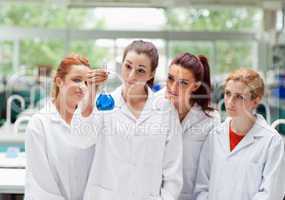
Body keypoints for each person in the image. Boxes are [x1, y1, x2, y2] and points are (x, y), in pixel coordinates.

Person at [71, 40, 183, 200]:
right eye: (128, 66)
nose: (131, 76)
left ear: (151, 74)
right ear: (121, 65)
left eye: (141, 70)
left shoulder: (165, 110)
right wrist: (90, 93)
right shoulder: (104, 103)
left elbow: (173, 171)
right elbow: (80, 140)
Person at [194, 68, 285, 200]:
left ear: (256, 100)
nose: (230, 102)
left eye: (239, 97)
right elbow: (202, 186)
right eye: (227, 93)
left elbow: (271, 194)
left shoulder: (271, 141)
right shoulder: (214, 136)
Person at [25, 54, 95, 200]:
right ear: (59, 81)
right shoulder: (39, 124)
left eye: (88, 83)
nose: (83, 87)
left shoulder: (92, 123)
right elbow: (41, 186)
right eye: (76, 80)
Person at [156, 52, 220, 200]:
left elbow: (210, 170)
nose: (173, 87)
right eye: (170, 79)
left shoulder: (209, 120)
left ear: (196, 86)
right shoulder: (152, 106)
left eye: (183, 83)